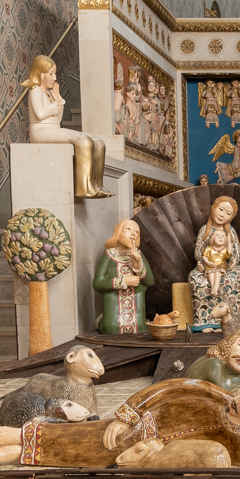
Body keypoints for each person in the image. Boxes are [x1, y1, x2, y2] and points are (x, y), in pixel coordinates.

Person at [0, 368, 240, 468]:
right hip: (145, 424)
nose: (236, 398)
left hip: (154, 454)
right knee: (96, 436)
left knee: (101, 457)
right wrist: (128, 415)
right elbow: (168, 387)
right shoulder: (215, 394)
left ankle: (25, 454)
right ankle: (25, 437)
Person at [23, 55, 110, 198]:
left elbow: (58, 119)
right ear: (41, 75)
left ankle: (97, 185)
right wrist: (55, 105)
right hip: (40, 131)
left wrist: (58, 98)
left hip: (52, 129)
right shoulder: (35, 90)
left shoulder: (48, 93)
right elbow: (39, 114)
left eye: (55, 73)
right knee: (84, 141)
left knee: (99, 142)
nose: (54, 77)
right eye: (51, 73)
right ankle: (84, 188)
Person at [188, 196, 240, 332]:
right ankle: (204, 321)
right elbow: (198, 251)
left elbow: (236, 252)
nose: (222, 215)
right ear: (213, 208)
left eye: (228, 213)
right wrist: (200, 262)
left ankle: (229, 321)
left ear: (231, 217)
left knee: (235, 277)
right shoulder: (205, 230)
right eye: (221, 209)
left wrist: (234, 261)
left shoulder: (230, 231)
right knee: (195, 278)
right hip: (207, 266)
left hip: (225, 266)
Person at [93, 219, 155, 335]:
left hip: (137, 316)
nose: (133, 234)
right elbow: (98, 283)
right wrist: (123, 281)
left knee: (140, 327)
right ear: (118, 232)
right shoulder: (109, 255)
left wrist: (138, 267)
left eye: (136, 232)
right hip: (113, 312)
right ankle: (102, 320)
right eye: (128, 229)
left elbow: (150, 281)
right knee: (111, 328)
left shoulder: (138, 254)